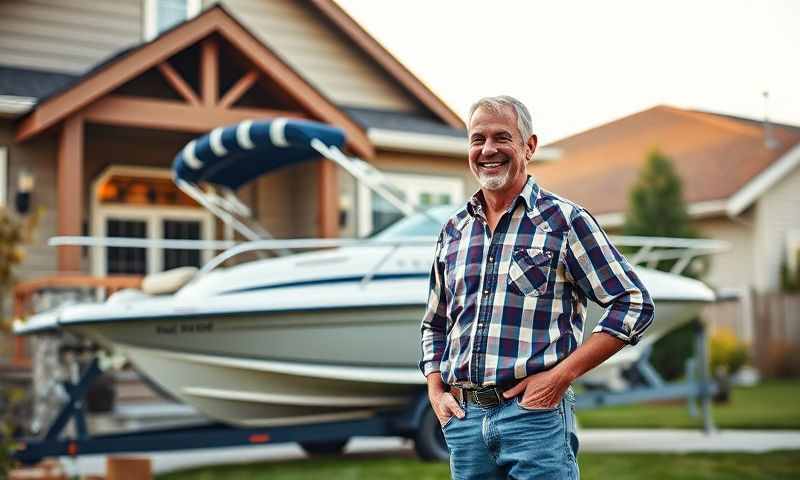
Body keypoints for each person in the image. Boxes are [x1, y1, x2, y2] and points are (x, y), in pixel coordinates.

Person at [419, 95, 655, 479]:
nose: (488, 149)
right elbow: (435, 324)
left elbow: (633, 303)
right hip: (464, 422)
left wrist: (561, 376)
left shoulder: (564, 221)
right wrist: (435, 390)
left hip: (534, 417)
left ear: (529, 147)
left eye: (501, 137)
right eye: (478, 139)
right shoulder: (454, 231)